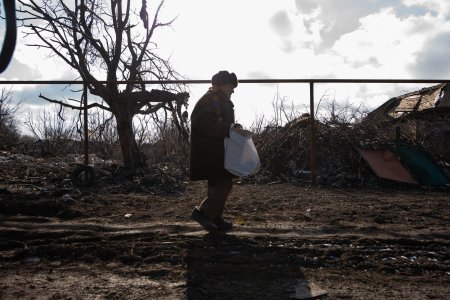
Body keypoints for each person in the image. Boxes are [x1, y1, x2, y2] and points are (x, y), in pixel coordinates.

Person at [189, 70, 240, 231]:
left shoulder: (217, 99)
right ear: (220, 85)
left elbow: (218, 122)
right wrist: (228, 129)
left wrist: (232, 128)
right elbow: (205, 121)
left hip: (215, 150)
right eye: (230, 86)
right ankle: (203, 213)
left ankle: (215, 217)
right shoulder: (213, 99)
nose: (233, 90)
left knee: (217, 183)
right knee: (224, 183)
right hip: (211, 151)